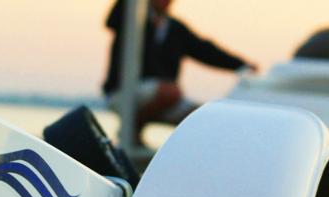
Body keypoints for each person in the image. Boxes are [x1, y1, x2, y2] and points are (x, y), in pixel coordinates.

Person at [103, 0, 258, 142]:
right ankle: (131, 130)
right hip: (123, 92)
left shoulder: (175, 28)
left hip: (163, 98)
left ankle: (139, 132)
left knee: (202, 116)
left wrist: (241, 65)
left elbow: (205, 50)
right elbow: (111, 20)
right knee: (170, 91)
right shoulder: (130, 15)